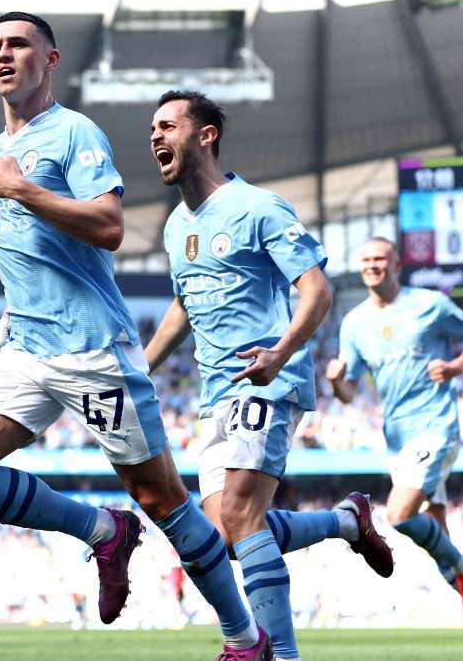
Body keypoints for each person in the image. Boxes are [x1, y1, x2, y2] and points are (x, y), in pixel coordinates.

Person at [0, 13, 269, 659]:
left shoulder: (74, 133)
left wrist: (22, 188)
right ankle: (102, 529)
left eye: (19, 45)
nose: (4, 55)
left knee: (162, 498)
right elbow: (26, 255)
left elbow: (109, 227)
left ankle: (243, 635)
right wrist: (5, 324)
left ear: (49, 60)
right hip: (26, 347)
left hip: (91, 349)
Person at [142, 90, 393, 661]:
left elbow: (317, 291)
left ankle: (279, 654)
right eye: (152, 129)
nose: (155, 136)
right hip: (215, 392)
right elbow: (184, 305)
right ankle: (345, 522)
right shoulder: (176, 226)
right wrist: (141, 367)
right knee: (225, 536)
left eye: (168, 126)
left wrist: (279, 354)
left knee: (239, 514)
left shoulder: (259, 207)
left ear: (206, 135)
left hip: (268, 378)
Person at [326, 237, 463, 657]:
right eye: (366, 260)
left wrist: (456, 365)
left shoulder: (430, 304)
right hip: (399, 440)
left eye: (380, 258)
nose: (372, 265)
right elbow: (349, 394)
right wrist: (337, 381)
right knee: (438, 543)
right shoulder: (354, 323)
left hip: (436, 427)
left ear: (396, 264)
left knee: (399, 513)